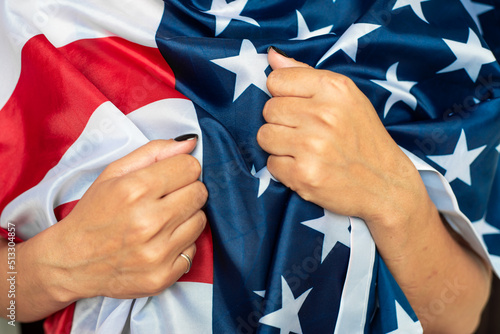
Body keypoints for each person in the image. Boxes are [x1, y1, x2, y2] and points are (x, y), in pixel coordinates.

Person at [1, 0, 499, 333]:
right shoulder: (26, 16)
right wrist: (50, 271)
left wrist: (399, 199)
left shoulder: (453, 28)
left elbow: (467, 315)